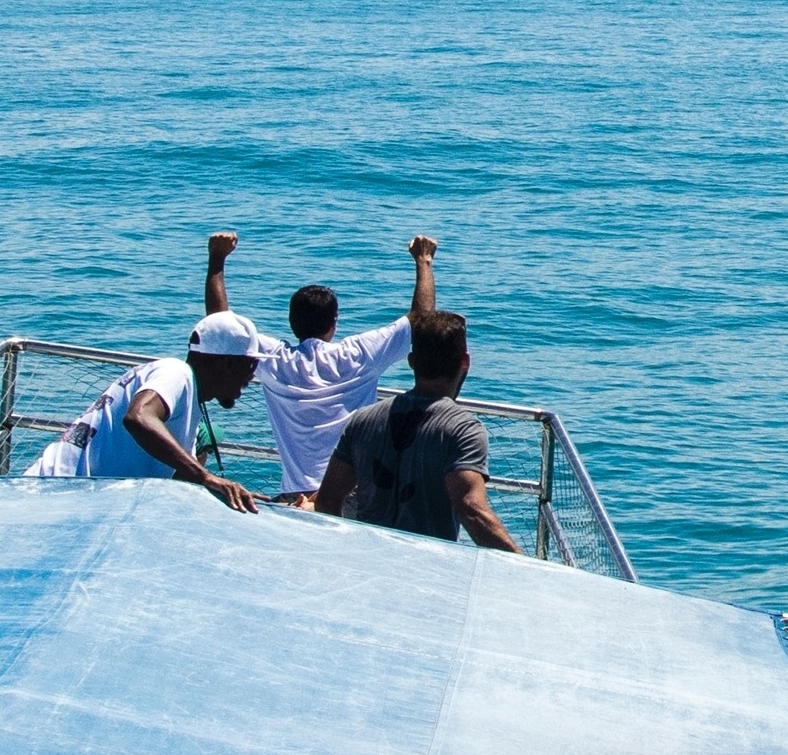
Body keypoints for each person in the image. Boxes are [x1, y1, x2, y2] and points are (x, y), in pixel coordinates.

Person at [205, 230, 437, 506]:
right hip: (353, 494)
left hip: (296, 496)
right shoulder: (357, 355)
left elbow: (220, 325)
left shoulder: (277, 361)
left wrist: (217, 259)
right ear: (334, 322)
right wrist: (423, 261)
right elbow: (421, 320)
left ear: (292, 323)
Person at [313, 310, 520, 551]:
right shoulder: (463, 429)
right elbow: (471, 509)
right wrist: (523, 564)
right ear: (465, 362)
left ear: (411, 361)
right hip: (427, 570)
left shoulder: (363, 420)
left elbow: (327, 500)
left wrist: (344, 549)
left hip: (367, 563)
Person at [28, 310, 268, 513]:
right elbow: (138, 417)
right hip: (50, 491)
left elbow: (176, 478)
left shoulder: (188, 402)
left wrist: (230, 494)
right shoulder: (176, 373)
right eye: (251, 364)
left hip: (72, 498)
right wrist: (207, 476)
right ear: (227, 363)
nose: (253, 374)